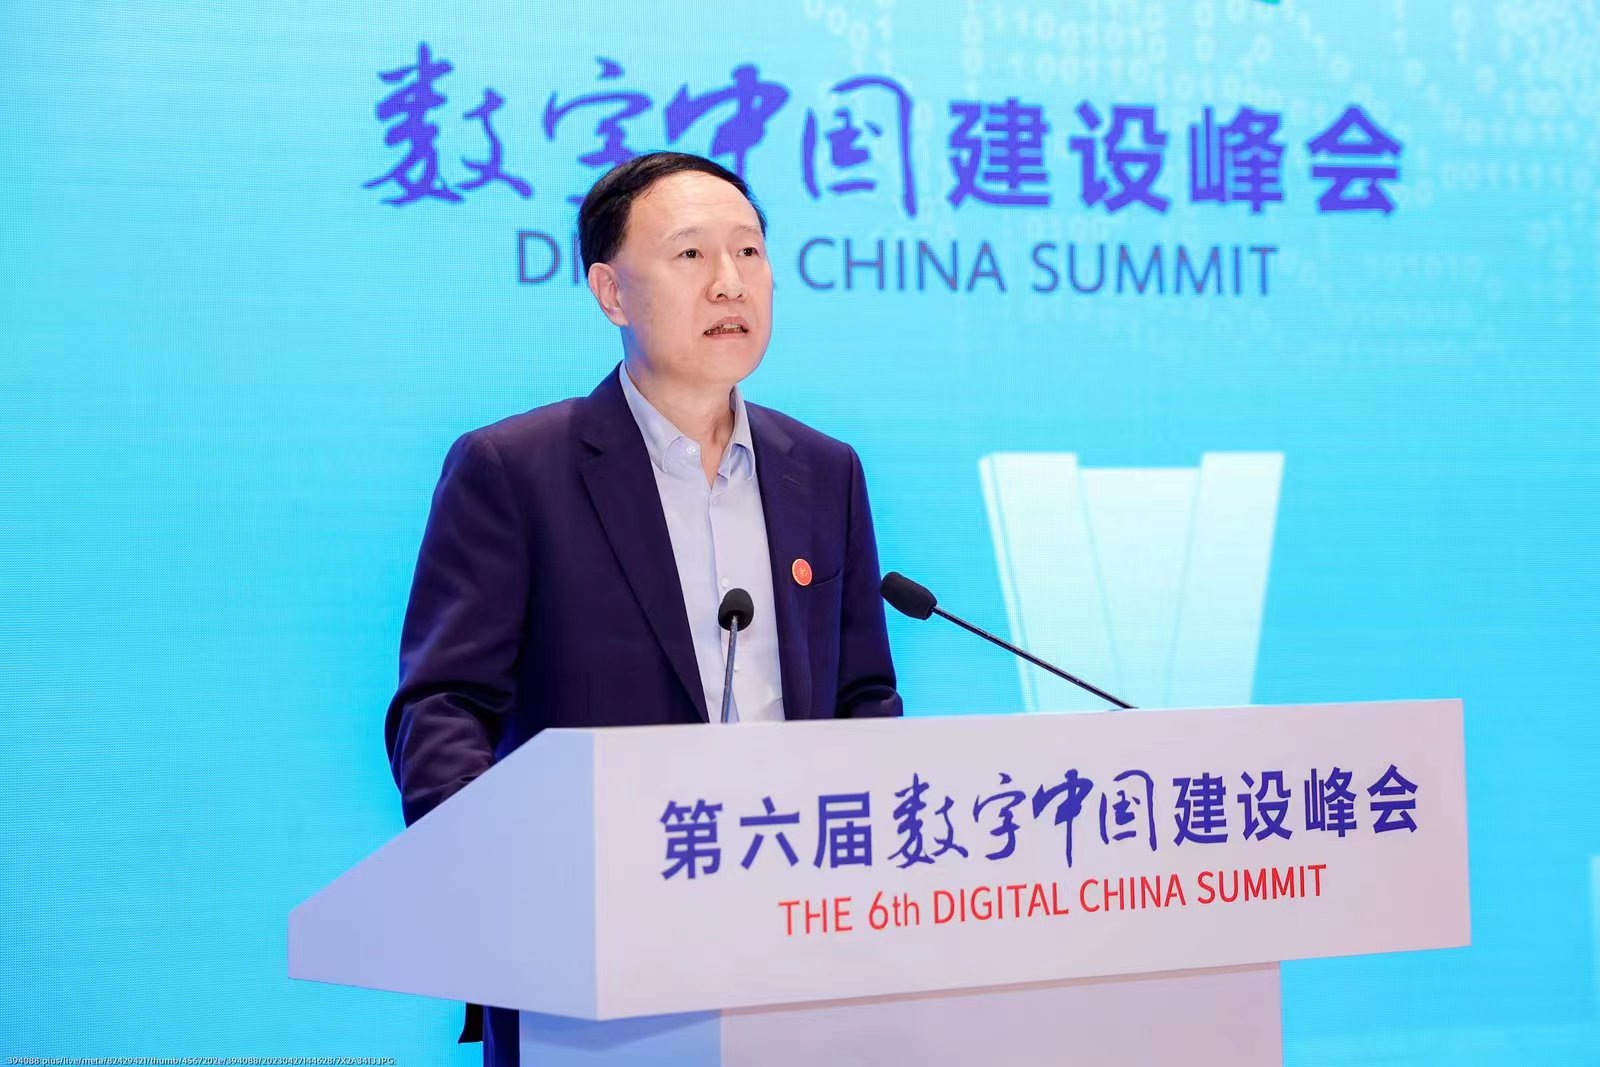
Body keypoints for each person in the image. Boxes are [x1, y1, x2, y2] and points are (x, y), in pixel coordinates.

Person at [382, 151, 903, 1065]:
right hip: (592, 957)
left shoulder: (824, 471)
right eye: (691, 254)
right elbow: (443, 709)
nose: (730, 281)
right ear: (611, 291)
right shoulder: (515, 470)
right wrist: (503, 878)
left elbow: (863, 699)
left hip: (797, 942)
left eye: (750, 251)